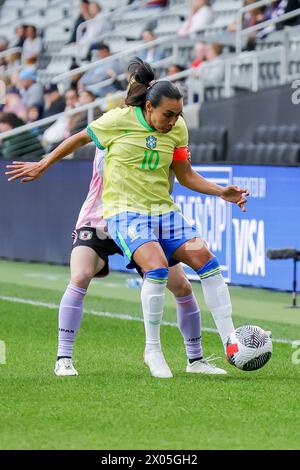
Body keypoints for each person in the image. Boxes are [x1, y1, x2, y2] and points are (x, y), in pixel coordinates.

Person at [6, 58, 249, 379]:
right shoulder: (115, 122)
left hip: (157, 215)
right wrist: (43, 163)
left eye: (178, 115)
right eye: (168, 114)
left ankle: (201, 356)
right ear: (146, 105)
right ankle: (65, 358)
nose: (174, 121)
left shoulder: (172, 128)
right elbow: (77, 138)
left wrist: (220, 192)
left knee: (184, 283)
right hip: (102, 215)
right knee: (81, 277)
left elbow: (185, 173)